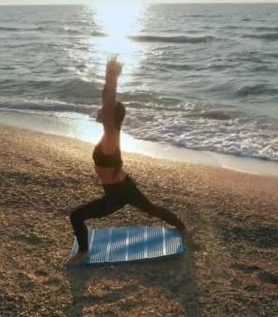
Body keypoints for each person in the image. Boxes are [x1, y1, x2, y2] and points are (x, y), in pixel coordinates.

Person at [67, 55, 188, 264]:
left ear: (110, 117)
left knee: (76, 216)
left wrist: (112, 78)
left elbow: (109, 101)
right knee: (152, 209)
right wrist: (108, 78)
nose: (99, 110)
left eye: (104, 111)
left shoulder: (111, 137)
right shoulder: (109, 135)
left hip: (117, 194)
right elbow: (106, 101)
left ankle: (84, 252)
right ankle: (183, 228)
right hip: (123, 187)